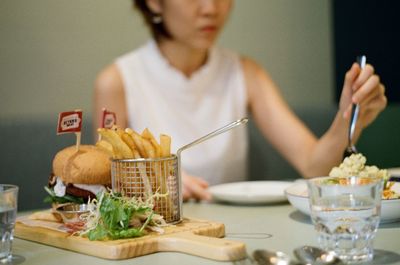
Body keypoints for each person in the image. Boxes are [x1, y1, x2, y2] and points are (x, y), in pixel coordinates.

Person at [93, 0, 387, 201]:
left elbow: (313, 165)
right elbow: (104, 183)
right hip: (158, 236)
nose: (211, 9)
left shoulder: (244, 72)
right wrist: (154, 183)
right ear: (155, 2)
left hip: (233, 234)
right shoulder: (118, 80)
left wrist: (349, 116)